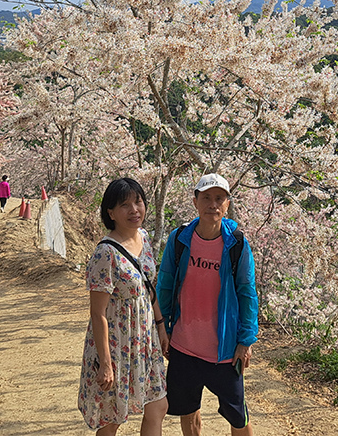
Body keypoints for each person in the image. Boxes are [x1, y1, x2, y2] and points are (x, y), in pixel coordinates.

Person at [157, 173, 258, 436]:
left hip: (223, 351)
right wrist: (162, 329)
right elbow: (165, 286)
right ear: (195, 202)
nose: (212, 204)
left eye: (218, 198)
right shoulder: (179, 240)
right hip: (183, 346)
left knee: (238, 416)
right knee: (188, 411)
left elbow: (248, 294)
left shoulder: (236, 244)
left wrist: (245, 340)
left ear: (227, 204)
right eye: (206, 198)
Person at [78, 177, 169, 435]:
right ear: (111, 212)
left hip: (145, 340)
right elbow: (98, 314)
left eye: (138, 202)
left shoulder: (145, 238)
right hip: (118, 344)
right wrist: (106, 363)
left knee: (158, 405)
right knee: (112, 416)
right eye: (125, 205)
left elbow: (148, 289)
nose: (134, 210)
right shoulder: (105, 253)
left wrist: (161, 327)